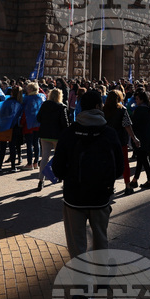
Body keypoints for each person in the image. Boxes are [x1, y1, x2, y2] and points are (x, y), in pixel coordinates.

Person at [50, 90, 124, 258]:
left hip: (74, 197)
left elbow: (57, 169)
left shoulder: (69, 133)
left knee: (76, 245)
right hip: (101, 196)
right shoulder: (109, 133)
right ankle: (102, 280)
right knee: (101, 240)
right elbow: (119, 168)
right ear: (99, 106)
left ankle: (81, 282)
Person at [36, 87, 69, 191]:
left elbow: (38, 118)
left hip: (44, 135)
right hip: (57, 136)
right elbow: (65, 123)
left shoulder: (45, 105)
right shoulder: (62, 107)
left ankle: (41, 181)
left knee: (44, 158)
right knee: (59, 157)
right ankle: (60, 177)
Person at [128, 90, 150, 189]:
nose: (136, 100)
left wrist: (133, 138)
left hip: (140, 138)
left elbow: (134, 125)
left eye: (137, 99)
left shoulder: (139, 110)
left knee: (143, 159)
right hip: (147, 137)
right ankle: (135, 180)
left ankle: (149, 180)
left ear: (142, 100)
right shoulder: (149, 109)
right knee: (141, 159)